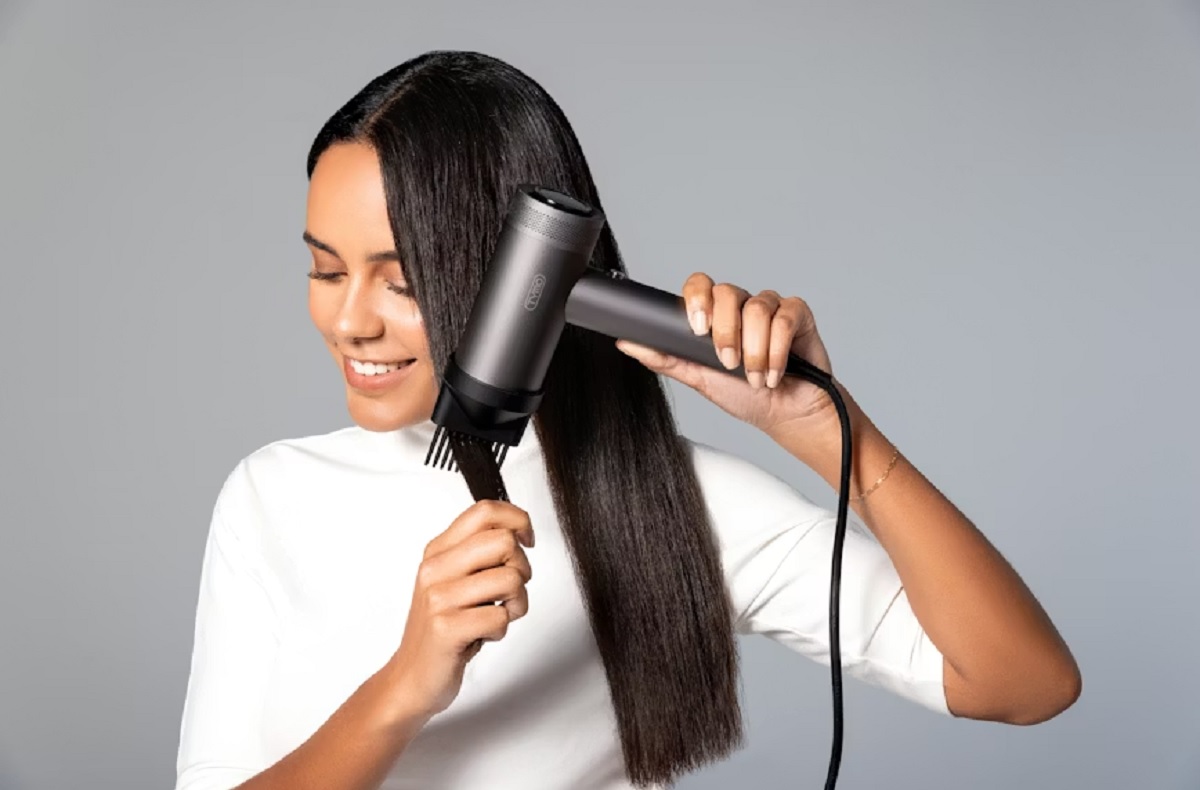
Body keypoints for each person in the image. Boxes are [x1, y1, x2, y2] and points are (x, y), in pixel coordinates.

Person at [173, 50, 1080, 790]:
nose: (349, 320)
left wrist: (817, 426)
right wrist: (404, 689)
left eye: (401, 280)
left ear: (521, 276)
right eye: (327, 270)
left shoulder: (675, 507)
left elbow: (1025, 683)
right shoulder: (273, 496)